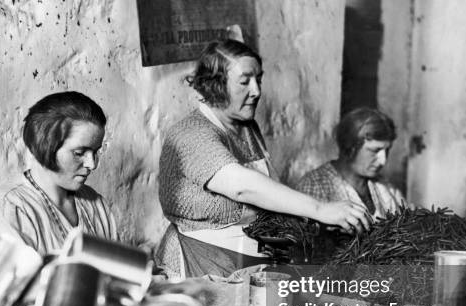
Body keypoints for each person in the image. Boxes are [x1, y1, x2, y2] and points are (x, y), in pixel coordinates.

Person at [156, 40, 372, 279]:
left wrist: (313, 222)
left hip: (247, 263)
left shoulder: (247, 127)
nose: (256, 90)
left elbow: (268, 195)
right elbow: (242, 188)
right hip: (201, 265)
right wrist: (320, 209)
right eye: (245, 81)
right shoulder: (190, 135)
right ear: (214, 85)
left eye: (258, 79)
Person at [0, 91, 117, 255]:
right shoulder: (9, 209)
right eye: (79, 153)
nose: (91, 164)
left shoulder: (96, 205)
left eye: (95, 152)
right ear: (46, 146)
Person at [296, 107, 406, 219]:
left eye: (387, 150)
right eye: (375, 150)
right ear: (351, 147)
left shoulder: (386, 188)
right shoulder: (316, 186)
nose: (383, 160)